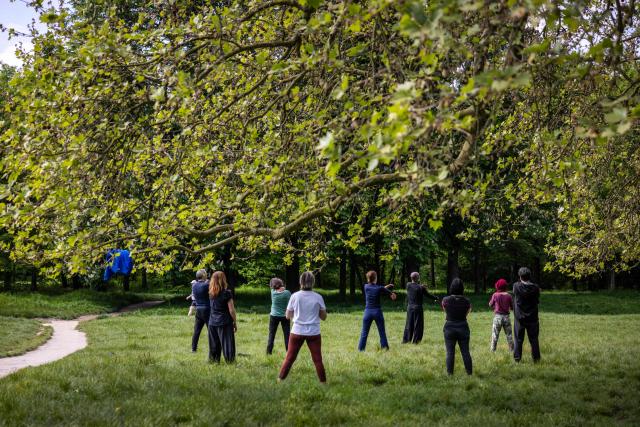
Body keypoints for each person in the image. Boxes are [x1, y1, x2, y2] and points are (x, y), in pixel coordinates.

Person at [278, 271, 327, 383]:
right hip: (313, 332)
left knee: (289, 358)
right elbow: (324, 317)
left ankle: (280, 380)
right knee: (317, 360)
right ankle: (323, 383)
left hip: (297, 331)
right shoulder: (318, 297)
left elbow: (287, 315)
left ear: (300, 282)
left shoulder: (295, 296)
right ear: (313, 282)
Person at [358, 270, 397, 351]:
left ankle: (361, 350)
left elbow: (378, 288)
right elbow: (392, 296)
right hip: (377, 312)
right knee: (382, 332)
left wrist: (386, 287)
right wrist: (392, 294)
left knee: (364, 333)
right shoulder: (379, 288)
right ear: (375, 278)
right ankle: (385, 348)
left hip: (367, 312)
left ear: (368, 278)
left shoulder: (366, 287)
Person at [441, 278, 472, 375]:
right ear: (462, 288)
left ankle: (450, 374)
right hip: (463, 326)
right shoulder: (467, 301)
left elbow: (445, 311)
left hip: (449, 327)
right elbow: (467, 312)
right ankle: (469, 374)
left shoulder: (445, 300)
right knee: (466, 352)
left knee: (450, 352)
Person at [512, 267, 541, 363]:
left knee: (518, 339)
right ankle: (536, 359)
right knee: (534, 339)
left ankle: (517, 358)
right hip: (533, 317)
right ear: (530, 276)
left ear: (520, 276)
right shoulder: (536, 288)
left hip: (520, 318)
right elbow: (537, 300)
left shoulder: (516, 286)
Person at [208, 271, 237, 363]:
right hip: (224, 321)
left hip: (212, 321)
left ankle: (214, 361)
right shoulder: (227, 293)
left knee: (214, 343)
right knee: (227, 343)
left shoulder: (211, 293)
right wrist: (235, 322)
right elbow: (231, 310)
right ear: (223, 280)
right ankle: (230, 361)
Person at [402, 272, 439, 344]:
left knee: (409, 324)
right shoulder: (421, 288)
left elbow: (414, 286)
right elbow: (428, 295)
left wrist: (421, 286)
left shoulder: (408, 285)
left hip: (410, 307)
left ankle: (406, 340)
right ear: (418, 278)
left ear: (411, 277)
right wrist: (436, 298)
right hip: (418, 308)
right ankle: (416, 341)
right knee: (418, 325)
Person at [266, 277, 291, 355]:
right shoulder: (287, 293)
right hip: (285, 316)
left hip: (273, 316)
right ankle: (289, 352)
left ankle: (268, 352)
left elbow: (275, 288)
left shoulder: (272, 292)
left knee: (271, 334)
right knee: (287, 335)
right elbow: (290, 303)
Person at [489, 278, 514, 352]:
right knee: (509, 335)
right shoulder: (509, 296)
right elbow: (512, 307)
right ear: (505, 286)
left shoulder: (495, 295)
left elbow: (490, 304)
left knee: (495, 335)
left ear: (497, 286)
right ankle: (512, 350)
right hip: (506, 317)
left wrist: (495, 306)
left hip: (497, 317)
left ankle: (493, 350)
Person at [190, 269, 210, 352]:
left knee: (197, 330)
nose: (207, 275)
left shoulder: (194, 285)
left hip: (198, 309)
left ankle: (193, 349)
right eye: (205, 273)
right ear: (203, 275)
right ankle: (213, 347)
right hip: (207, 309)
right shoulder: (206, 285)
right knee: (211, 330)